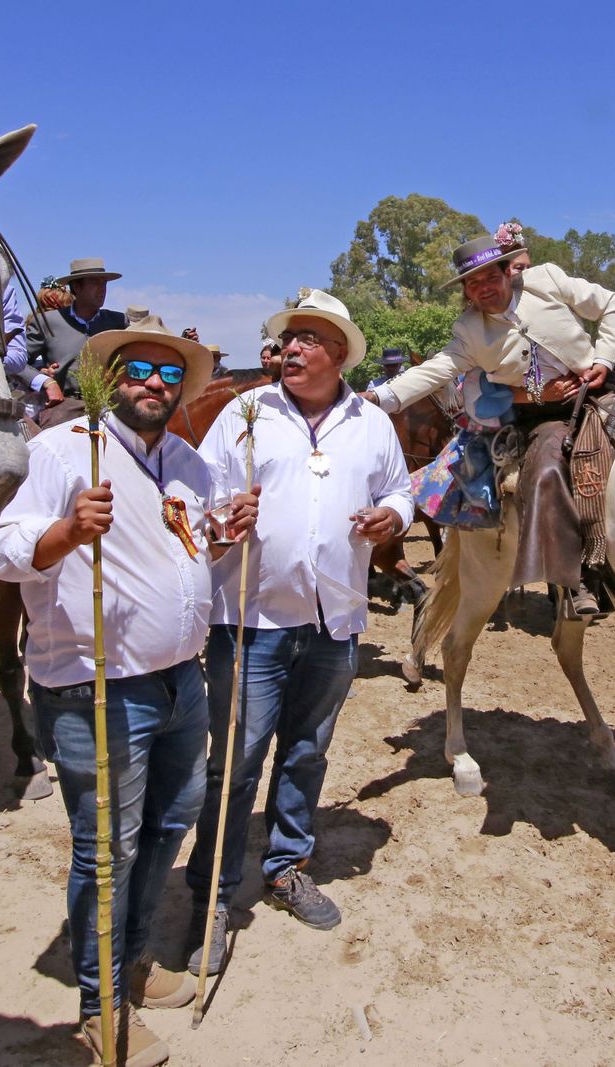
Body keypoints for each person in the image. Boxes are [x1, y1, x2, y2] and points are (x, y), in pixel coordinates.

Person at [0, 315, 256, 1065]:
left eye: (170, 375)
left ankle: (128, 962)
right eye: (139, 370)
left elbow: (188, 551)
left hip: (178, 683)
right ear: (109, 377)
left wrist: (224, 537)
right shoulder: (63, 450)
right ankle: (100, 1009)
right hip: (96, 688)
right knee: (108, 850)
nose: (154, 385)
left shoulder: (190, 465)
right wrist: (66, 532)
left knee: (169, 824)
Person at [185, 289, 412, 976]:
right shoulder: (243, 412)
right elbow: (195, 502)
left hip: (334, 618)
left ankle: (286, 866)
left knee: (307, 751)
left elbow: (399, 488)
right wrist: (223, 519)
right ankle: (213, 897)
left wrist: (393, 519)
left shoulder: (369, 423)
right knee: (235, 760)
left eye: (309, 339)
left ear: (338, 353)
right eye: (288, 338)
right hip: (251, 619)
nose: (291, 348)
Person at [364, 236, 615, 616]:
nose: (483, 288)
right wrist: (376, 398)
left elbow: (611, 304)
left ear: (508, 273)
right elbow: (434, 369)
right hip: (545, 416)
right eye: (473, 283)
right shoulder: (469, 330)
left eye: (490, 277)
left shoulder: (547, 279)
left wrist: (603, 359)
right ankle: (580, 574)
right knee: (549, 466)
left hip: (603, 392)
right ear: (466, 291)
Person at [23, 257, 128, 417]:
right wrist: (43, 378)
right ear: (76, 287)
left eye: (104, 283)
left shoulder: (119, 322)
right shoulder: (47, 322)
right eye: (95, 283)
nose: (102, 289)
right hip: (63, 407)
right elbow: (16, 363)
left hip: (110, 407)